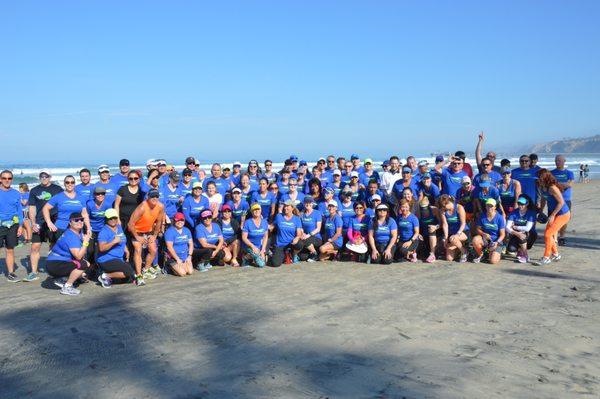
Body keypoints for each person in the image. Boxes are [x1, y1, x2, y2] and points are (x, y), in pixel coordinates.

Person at [45, 212, 92, 296]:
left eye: (81, 220)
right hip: (55, 264)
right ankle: (67, 287)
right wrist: (85, 243)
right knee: (82, 264)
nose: (80, 222)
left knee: (85, 265)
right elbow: (78, 256)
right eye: (76, 220)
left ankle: (62, 279)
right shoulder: (71, 236)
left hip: (54, 262)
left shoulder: (76, 232)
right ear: (70, 222)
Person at [28, 169, 63, 279]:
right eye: (42, 176)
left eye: (46, 176)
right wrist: (33, 223)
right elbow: (32, 208)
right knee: (35, 246)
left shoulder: (57, 189)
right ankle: (34, 272)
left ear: (50, 177)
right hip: (39, 222)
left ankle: (52, 270)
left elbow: (63, 203)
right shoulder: (34, 190)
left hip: (53, 222)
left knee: (53, 246)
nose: (44, 178)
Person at [533, 169, 571, 266]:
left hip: (563, 214)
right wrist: (540, 211)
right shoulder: (542, 187)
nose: (538, 179)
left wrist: (553, 215)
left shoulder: (552, 188)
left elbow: (561, 202)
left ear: (545, 178)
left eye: (540, 177)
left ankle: (546, 258)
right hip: (554, 214)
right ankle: (556, 254)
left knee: (548, 234)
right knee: (549, 234)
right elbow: (543, 200)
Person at [127, 189, 165, 285]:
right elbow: (130, 224)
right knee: (138, 250)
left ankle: (146, 269)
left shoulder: (160, 206)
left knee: (153, 250)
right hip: (136, 231)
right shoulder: (142, 207)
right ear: (148, 197)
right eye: (152, 196)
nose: (154, 198)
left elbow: (159, 222)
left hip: (148, 231)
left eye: (156, 196)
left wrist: (154, 235)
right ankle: (139, 275)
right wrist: (137, 237)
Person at [96, 208, 135, 287]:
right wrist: (113, 242)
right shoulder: (103, 232)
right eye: (110, 218)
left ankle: (109, 276)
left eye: (115, 218)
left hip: (118, 258)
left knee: (130, 278)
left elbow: (122, 239)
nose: (113, 220)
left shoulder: (119, 227)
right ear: (106, 219)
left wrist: (126, 250)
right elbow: (101, 248)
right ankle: (105, 275)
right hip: (106, 259)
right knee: (129, 272)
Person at [0, 170, 24, 282]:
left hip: (12, 225)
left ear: (12, 180)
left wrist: (20, 225)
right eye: (4, 178)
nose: (7, 180)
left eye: (9, 178)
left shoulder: (16, 193)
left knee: (10, 249)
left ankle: (10, 273)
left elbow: (19, 211)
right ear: (0, 179)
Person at [472, 198, 505, 264]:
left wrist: (497, 242)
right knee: (475, 240)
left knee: (493, 261)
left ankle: (498, 252)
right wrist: (483, 234)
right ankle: (481, 255)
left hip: (496, 241)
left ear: (495, 207)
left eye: (491, 206)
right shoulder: (482, 216)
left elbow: (502, 234)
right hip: (485, 239)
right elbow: (478, 229)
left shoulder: (500, 218)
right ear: (485, 206)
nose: (489, 207)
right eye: (488, 205)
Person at [550, 155, 574, 245]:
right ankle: (554, 237)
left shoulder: (569, 173)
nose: (557, 162)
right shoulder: (551, 173)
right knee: (553, 217)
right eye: (556, 160)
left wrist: (556, 185)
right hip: (553, 199)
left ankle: (562, 236)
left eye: (559, 161)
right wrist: (563, 185)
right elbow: (549, 184)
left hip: (566, 199)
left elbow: (570, 184)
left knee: (564, 219)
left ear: (564, 161)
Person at [505, 196, 537, 263]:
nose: (520, 206)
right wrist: (517, 233)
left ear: (527, 204)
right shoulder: (514, 212)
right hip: (517, 234)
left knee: (522, 236)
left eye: (522, 204)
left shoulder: (531, 213)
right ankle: (520, 251)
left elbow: (527, 228)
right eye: (519, 203)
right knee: (511, 249)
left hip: (530, 235)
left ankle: (526, 256)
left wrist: (516, 227)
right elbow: (507, 227)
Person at [85, 186, 112, 264]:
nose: (100, 195)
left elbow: (109, 219)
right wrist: (88, 229)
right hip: (91, 229)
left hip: (102, 229)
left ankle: (99, 265)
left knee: (100, 249)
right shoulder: (90, 204)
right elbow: (86, 217)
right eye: (98, 194)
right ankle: (90, 265)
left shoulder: (108, 204)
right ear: (94, 195)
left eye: (102, 194)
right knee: (90, 250)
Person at [271, 200, 303, 266]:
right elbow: (272, 227)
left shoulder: (297, 219)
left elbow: (299, 233)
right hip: (280, 244)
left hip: (291, 243)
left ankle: (293, 254)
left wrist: (297, 237)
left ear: (292, 208)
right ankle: (285, 254)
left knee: (299, 244)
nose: (285, 208)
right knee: (275, 264)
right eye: (285, 206)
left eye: (287, 206)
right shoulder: (279, 216)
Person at [438, 194, 469, 262]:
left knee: (453, 238)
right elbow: (445, 224)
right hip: (451, 233)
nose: (443, 207)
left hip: (462, 231)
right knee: (449, 258)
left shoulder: (459, 208)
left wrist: (457, 234)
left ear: (449, 202)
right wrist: (445, 238)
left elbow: (463, 223)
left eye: (444, 205)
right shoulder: (442, 210)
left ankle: (465, 252)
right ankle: (458, 249)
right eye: (442, 205)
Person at [297, 196, 323, 262]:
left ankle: (315, 253)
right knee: (302, 257)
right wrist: (302, 233)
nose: (308, 204)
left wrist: (308, 235)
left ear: (312, 203)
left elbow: (318, 229)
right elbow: (300, 227)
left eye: (310, 202)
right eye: (306, 202)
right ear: (303, 203)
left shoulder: (317, 213)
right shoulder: (301, 214)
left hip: (316, 237)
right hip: (305, 236)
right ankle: (311, 252)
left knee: (305, 240)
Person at [416, 197, 440, 263]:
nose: (424, 210)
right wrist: (418, 233)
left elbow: (441, 223)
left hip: (434, 233)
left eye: (425, 208)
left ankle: (433, 254)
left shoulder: (434, 210)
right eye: (422, 208)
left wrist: (436, 227)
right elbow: (416, 226)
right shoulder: (418, 212)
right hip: (424, 234)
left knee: (431, 229)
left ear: (428, 205)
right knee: (424, 254)